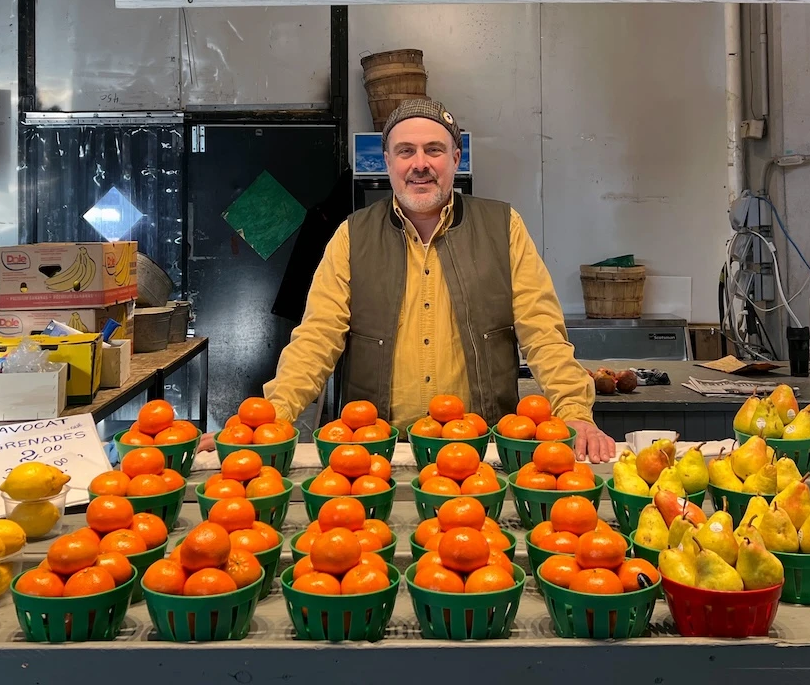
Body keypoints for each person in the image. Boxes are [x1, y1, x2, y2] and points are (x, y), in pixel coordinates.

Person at [257, 97, 616, 462]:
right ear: (388, 162)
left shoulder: (504, 228)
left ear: (456, 159)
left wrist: (574, 413)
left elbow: (543, 335)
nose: (420, 164)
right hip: (375, 453)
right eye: (405, 151)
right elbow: (316, 340)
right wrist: (270, 418)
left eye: (434, 150)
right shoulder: (352, 236)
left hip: (482, 450)